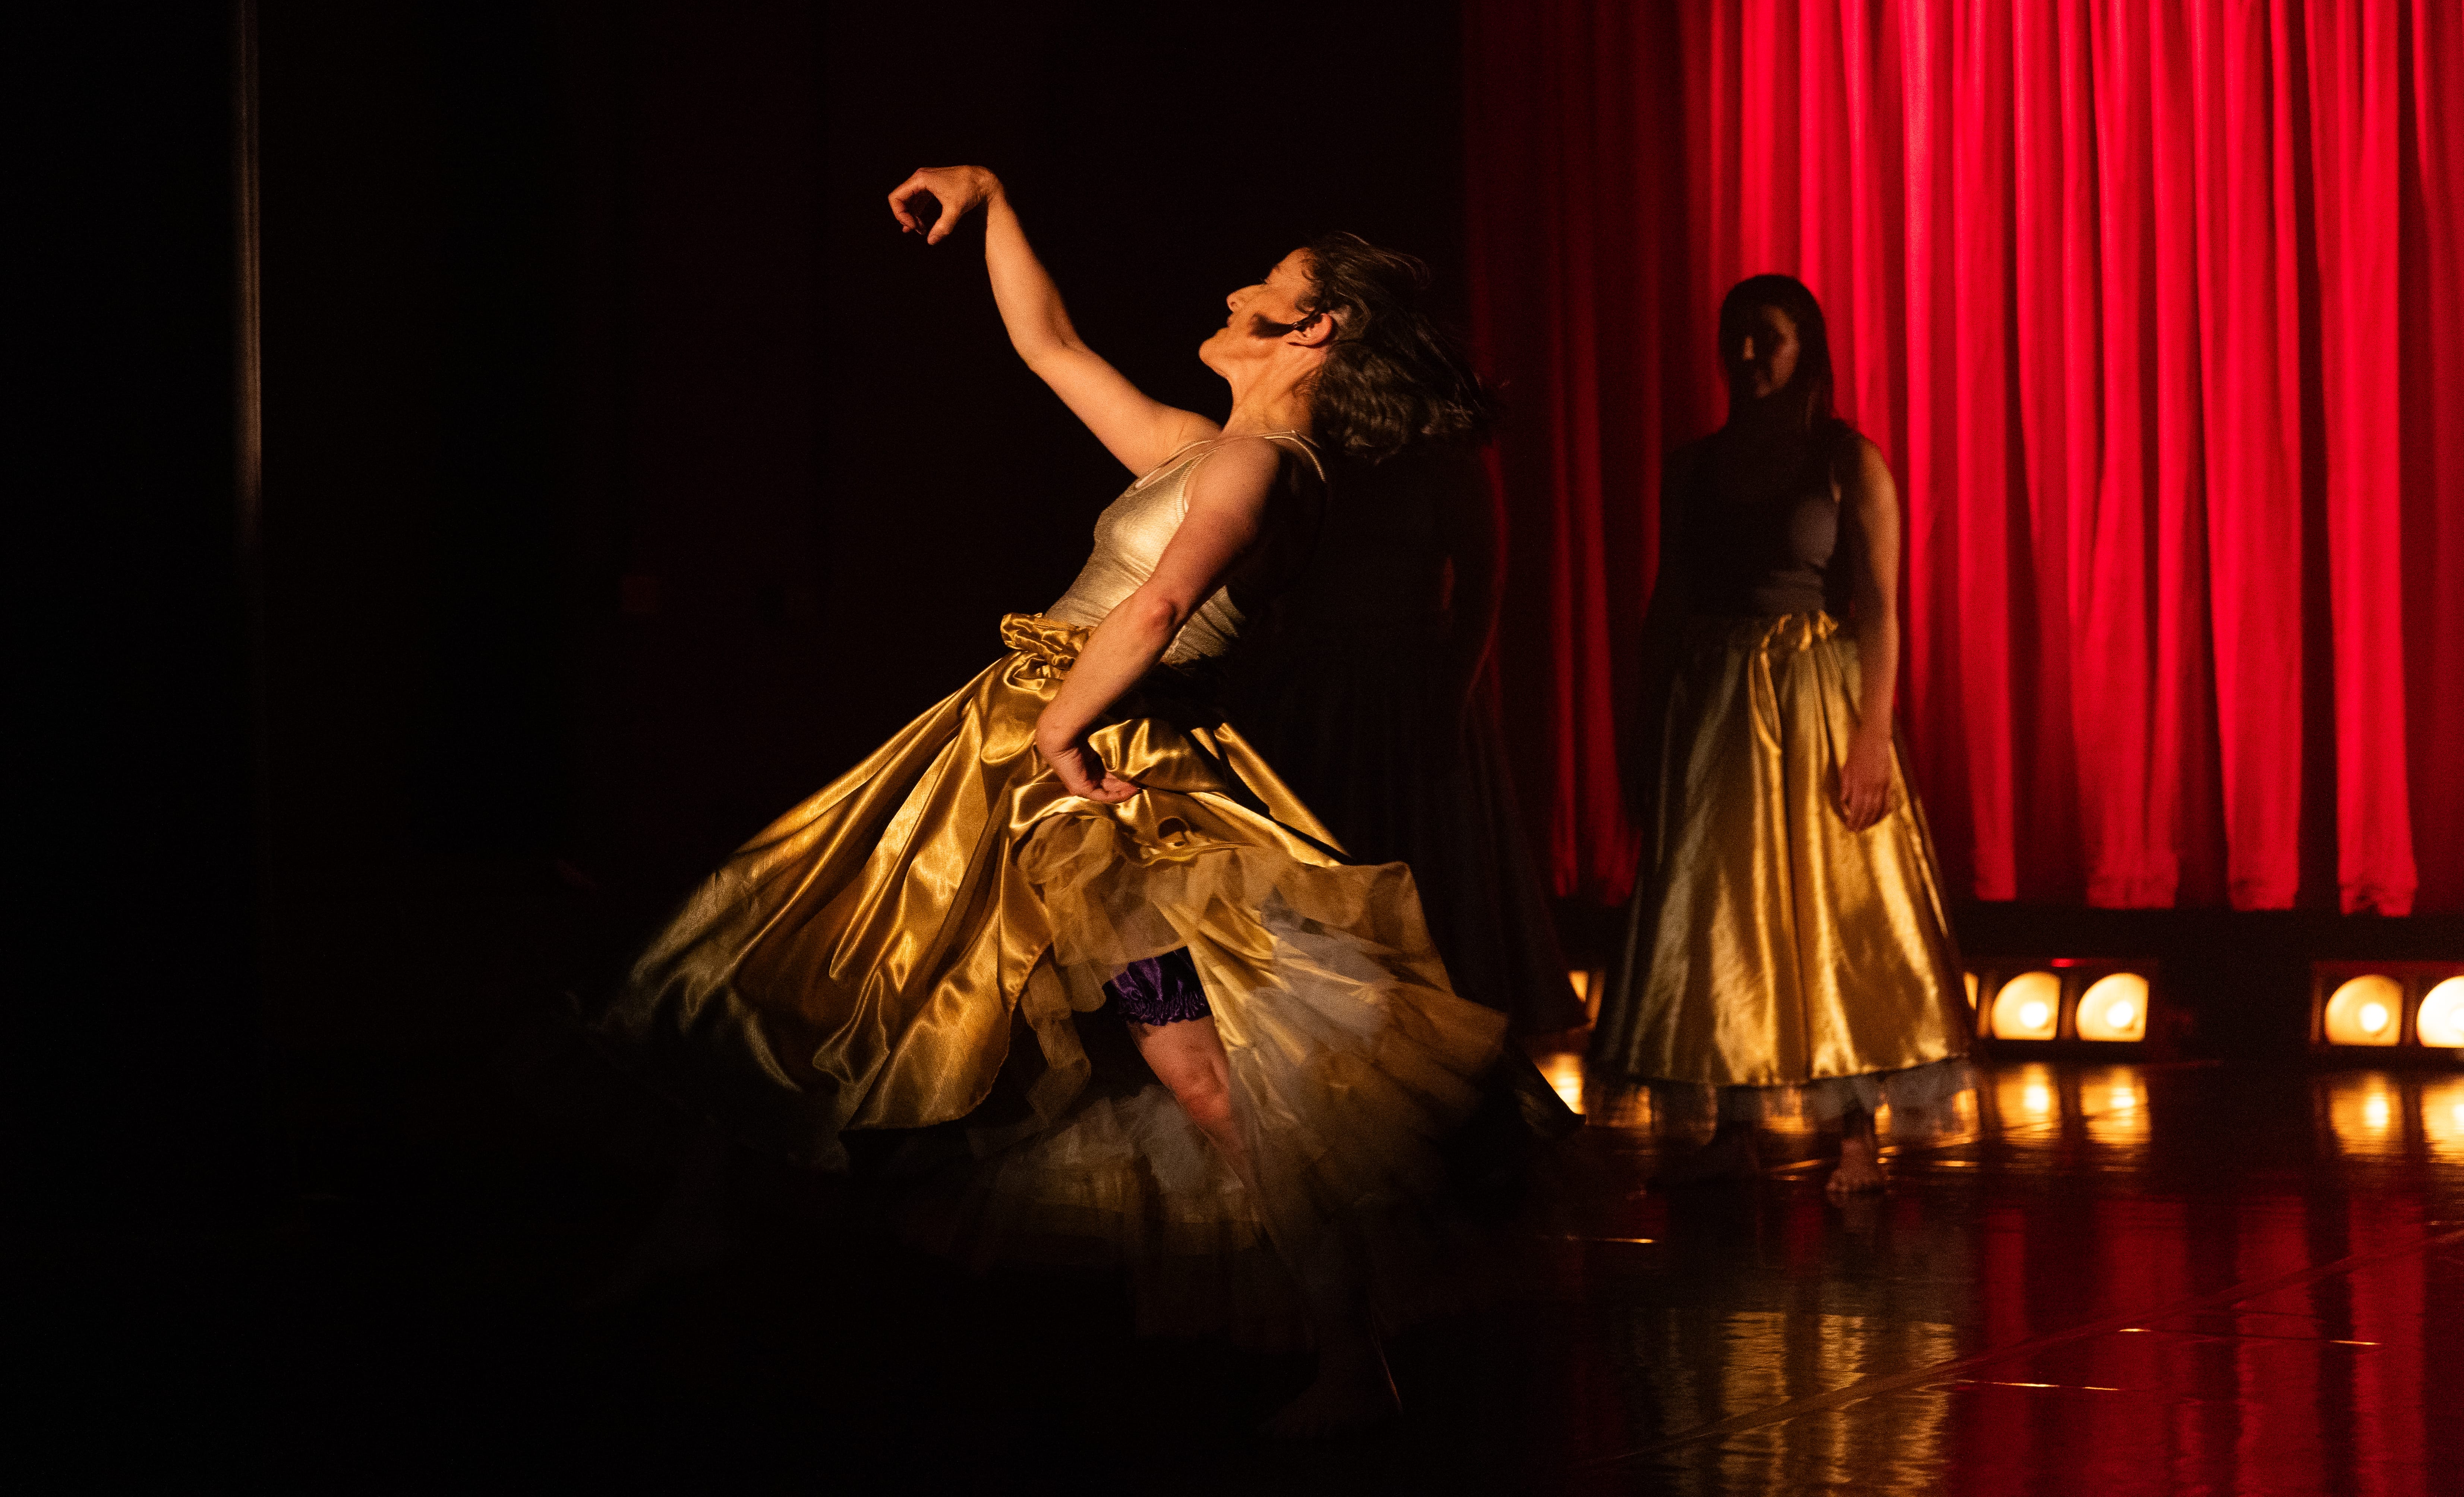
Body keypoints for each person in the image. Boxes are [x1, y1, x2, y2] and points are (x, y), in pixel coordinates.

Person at [609, 165, 1519, 1434]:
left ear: (1311, 328)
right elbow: (1051, 348)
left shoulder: (1263, 465)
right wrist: (990, 201)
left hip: (1097, 789)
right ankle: (697, 1212)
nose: (1232, 291)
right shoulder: (1201, 446)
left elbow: (1157, 607)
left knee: (1192, 1062)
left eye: (1266, 283)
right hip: (1032, 751)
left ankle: (1347, 1349)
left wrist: (1055, 725)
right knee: (821, 944)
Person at [1597, 274, 1973, 1198]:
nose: (1746, 355)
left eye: (1766, 337)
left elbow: (1880, 608)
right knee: (1721, 912)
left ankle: (1854, 1133)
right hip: (1715, 706)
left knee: (1836, 908)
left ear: (1806, 348)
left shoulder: (1847, 461)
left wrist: (1872, 735)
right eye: (1734, 337)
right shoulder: (1692, 468)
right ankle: (1734, 1123)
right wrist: (1645, 725)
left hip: (1812, 696)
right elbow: (1669, 601)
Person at [1226, 422, 1584, 1041]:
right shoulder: (1301, 449)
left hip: (1410, 688)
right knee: (1328, 859)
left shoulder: (1440, 456)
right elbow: (1256, 579)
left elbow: (1482, 584)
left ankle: (1445, 1042)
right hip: (1316, 689)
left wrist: (1449, 702)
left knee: (1428, 867)